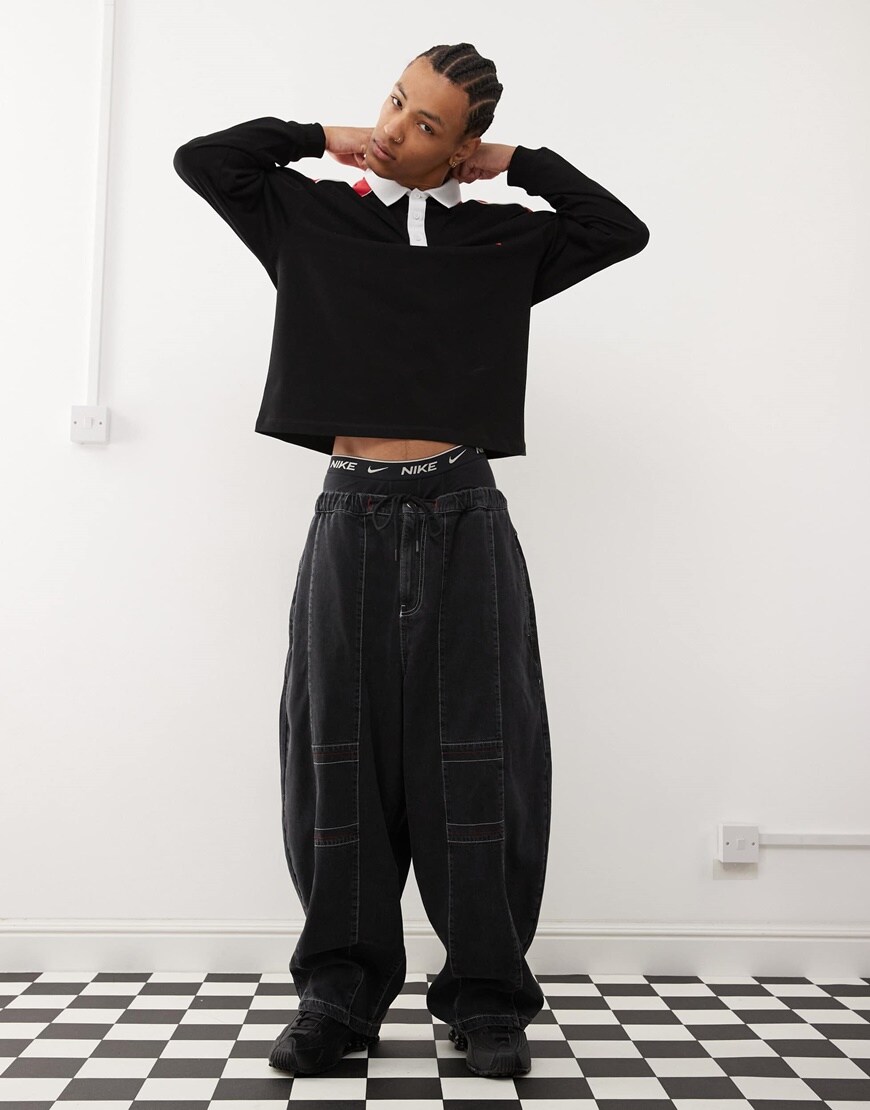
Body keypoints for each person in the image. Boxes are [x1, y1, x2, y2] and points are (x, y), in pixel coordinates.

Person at [173, 41, 649, 1080]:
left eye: (427, 124)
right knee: (335, 758)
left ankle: (485, 998)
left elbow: (621, 230)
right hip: (350, 517)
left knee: (480, 761)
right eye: (394, 101)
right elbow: (204, 160)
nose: (396, 129)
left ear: (462, 146)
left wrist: (516, 163)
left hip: (463, 514)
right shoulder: (309, 217)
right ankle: (339, 997)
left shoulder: (497, 242)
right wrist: (319, 139)